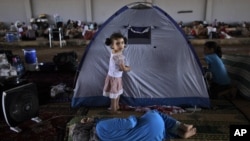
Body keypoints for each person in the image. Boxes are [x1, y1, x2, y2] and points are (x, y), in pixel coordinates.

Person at [75, 110, 196, 141]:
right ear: (86, 126)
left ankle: (179, 134)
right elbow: (131, 123)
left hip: (157, 139)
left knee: (154, 132)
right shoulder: (101, 126)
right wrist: (133, 116)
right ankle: (182, 126)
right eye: (85, 121)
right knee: (153, 113)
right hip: (153, 126)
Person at [103, 32, 130, 114]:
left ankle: (116, 106)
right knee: (115, 95)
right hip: (115, 78)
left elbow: (117, 64)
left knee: (116, 93)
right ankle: (113, 110)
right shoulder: (119, 56)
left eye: (122, 43)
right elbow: (123, 69)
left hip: (112, 76)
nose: (121, 45)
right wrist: (128, 68)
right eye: (117, 43)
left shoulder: (114, 52)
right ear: (112, 46)